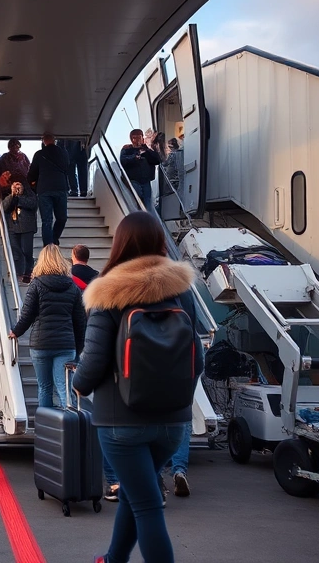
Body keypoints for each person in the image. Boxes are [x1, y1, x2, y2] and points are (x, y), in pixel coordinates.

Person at [72, 211, 203, 563]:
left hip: (121, 423)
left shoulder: (107, 293)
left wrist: (78, 382)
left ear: (120, 244)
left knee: (147, 506)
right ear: (159, 241)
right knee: (136, 495)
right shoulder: (182, 291)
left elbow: (93, 365)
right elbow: (198, 362)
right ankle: (114, 559)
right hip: (172, 424)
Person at [7, 244, 86, 408]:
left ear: (41, 261)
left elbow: (27, 315)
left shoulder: (36, 285)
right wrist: (78, 350)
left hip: (41, 344)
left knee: (45, 388)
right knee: (64, 389)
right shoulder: (73, 287)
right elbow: (80, 322)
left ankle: (45, 429)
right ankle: (71, 428)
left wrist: (16, 332)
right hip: (66, 345)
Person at [27, 133, 72, 247]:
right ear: (54, 140)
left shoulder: (39, 154)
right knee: (62, 218)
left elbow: (32, 173)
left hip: (44, 189)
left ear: (43, 141)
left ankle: (48, 246)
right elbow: (67, 168)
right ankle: (54, 239)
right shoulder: (64, 153)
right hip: (61, 187)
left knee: (47, 220)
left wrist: (32, 184)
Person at [2, 180, 38, 284]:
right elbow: (5, 207)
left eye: (19, 186)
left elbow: (33, 204)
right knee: (16, 251)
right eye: (15, 186)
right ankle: (18, 272)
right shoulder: (10, 196)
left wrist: (19, 197)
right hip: (13, 226)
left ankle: (28, 272)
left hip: (27, 228)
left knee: (27, 251)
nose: (17, 189)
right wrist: (13, 195)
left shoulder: (30, 195)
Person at [119, 129, 162, 215]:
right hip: (134, 180)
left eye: (139, 137)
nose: (137, 140)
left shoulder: (146, 150)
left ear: (142, 138)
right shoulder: (127, 149)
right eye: (134, 138)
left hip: (146, 181)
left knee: (148, 203)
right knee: (137, 200)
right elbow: (123, 161)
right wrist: (134, 157)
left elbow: (157, 160)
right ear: (131, 139)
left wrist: (146, 150)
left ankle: (150, 221)